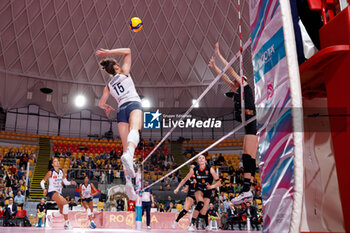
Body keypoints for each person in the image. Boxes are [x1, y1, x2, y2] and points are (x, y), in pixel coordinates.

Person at [208, 43, 258, 204]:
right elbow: (225, 77)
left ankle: (247, 190)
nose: (236, 80)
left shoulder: (245, 86)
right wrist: (214, 67)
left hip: (253, 121)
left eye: (239, 79)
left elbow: (230, 71)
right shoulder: (237, 90)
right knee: (246, 156)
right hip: (248, 124)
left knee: (248, 156)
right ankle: (246, 190)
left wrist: (219, 53)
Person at [96, 47, 142, 200]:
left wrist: (107, 106)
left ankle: (129, 184)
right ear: (116, 67)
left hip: (121, 109)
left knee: (125, 148)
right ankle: (129, 155)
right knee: (135, 129)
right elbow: (129, 50)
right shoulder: (124, 72)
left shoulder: (108, 86)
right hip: (133, 104)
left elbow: (101, 103)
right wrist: (109, 52)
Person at [174, 155, 221, 231]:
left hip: (208, 189)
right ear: (198, 161)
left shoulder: (210, 169)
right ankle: (192, 224)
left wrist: (212, 187)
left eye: (203, 158)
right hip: (199, 188)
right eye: (199, 158)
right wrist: (177, 188)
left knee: (203, 213)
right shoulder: (194, 170)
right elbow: (185, 179)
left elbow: (219, 183)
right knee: (200, 203)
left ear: (205, 161)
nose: (201, 159)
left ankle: (203, 222)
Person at [40, 158, 76, 229]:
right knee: (66, 204)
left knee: (62, 211)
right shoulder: (50, 172)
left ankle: (51, 217)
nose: (57, 162)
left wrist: (70, 182)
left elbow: (65, 182)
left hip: (59, 192)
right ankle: (66, 223)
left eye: (57, 161)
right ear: (52, 164)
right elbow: (42, 182)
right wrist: (44, 189)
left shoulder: (61, 171)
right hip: (52, 192)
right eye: (55, 161)